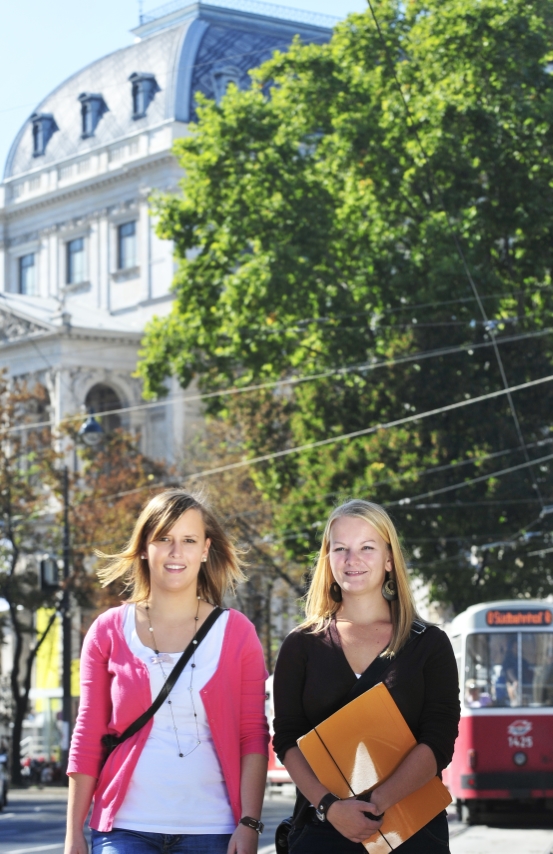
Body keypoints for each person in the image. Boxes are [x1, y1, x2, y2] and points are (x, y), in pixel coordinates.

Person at [65, 489, 269, 854]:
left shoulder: (238, 633)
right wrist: (73, 833)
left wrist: (249, 823)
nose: (177, 552)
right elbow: (88, 732)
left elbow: (252, 736)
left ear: (205, 550)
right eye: (164, 539)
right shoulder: (108, 631)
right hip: (125, 829)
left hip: (214, 830)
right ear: (145, 547)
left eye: (188, 540)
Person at [272, 499, 460, 854]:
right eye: (340, 548)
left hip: (411, 832)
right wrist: (331, 808)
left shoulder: (430, 645)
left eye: (366, 547)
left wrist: (376, 804)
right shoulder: (300, 646)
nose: (351, 559)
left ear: (389, 559)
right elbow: (286, 739)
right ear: (328, 559)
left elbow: (439, 740)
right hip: (322, 831)